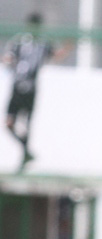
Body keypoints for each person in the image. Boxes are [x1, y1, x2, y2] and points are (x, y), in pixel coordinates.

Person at [3, 13, 71, 172]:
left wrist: (68, 47)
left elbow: (55, 56)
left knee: (26, 125)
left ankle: (24, 157)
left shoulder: (44, 43)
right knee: (9, 123)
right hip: (17, 86)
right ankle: (26, 152)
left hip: (31, 88)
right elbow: (9, 58)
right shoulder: (19, 41)